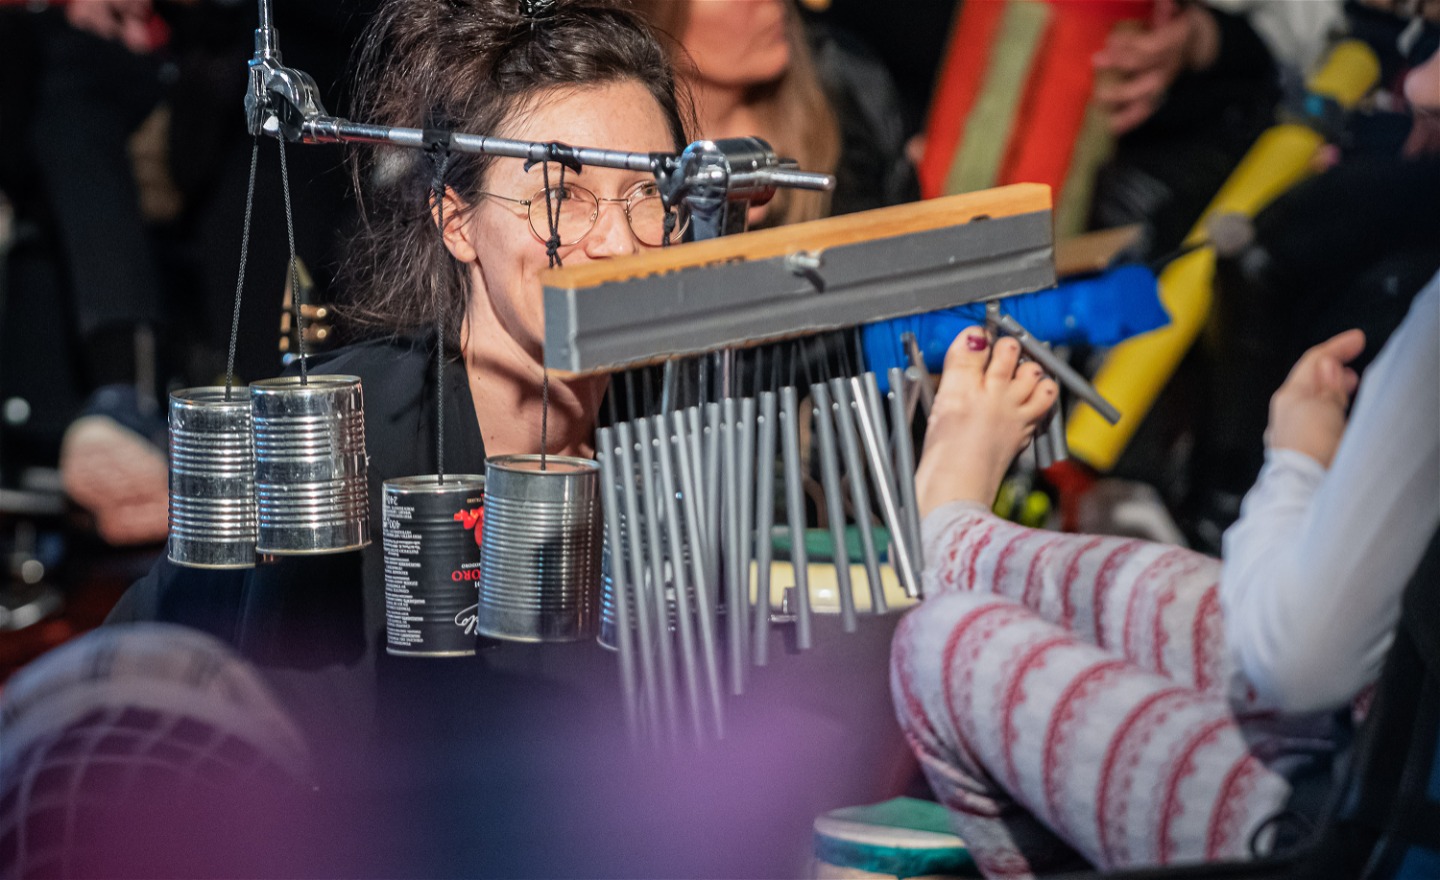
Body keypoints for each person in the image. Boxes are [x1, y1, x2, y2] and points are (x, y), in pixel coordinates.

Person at [106, 0, 909, 873]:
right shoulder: (347, 446)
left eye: (647, 193)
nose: (616, 243)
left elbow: (714, 763)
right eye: (562, 198)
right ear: (457, 220)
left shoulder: (668, 439)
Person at [892, 267, 1439, 876]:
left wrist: (1298, 465)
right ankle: (950, 535)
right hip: (1397, 718)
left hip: (1368, 835)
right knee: (1115, 594)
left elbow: (1304, 664)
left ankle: (944, 534)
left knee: (939, 646)